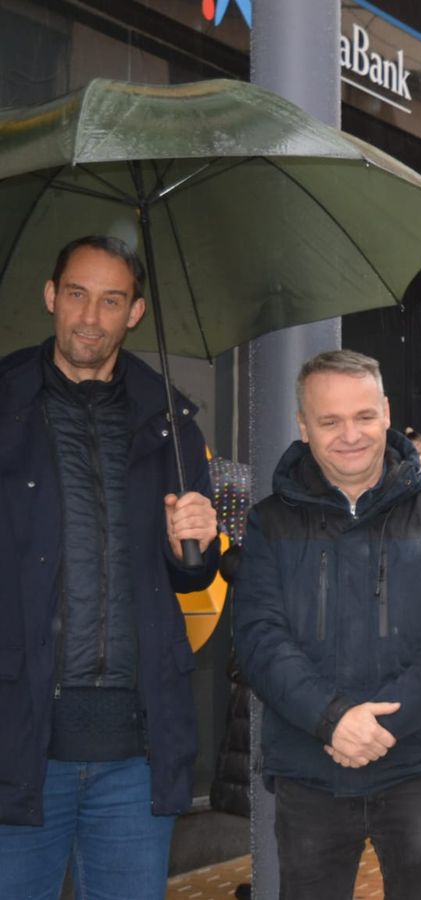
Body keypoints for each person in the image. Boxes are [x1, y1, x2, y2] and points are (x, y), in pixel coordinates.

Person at [0, 235, 220, 899]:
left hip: (136, 752)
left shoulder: (170, 420)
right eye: (77, 295)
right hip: (18, 741)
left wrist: (200, 541)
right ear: (50, 297)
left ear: (135, 312)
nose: (90, 316)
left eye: (111, 299)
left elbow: (187, 576)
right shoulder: (4, 404)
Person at [233, 349, 421, 900]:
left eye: (363, 416)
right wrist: (333, 720)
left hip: (415, 763)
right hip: (310, 766)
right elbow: (259, 641)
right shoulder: (269, 522)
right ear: (304, 426)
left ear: (387, 412)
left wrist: (383, 726)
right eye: (330, 421)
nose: (350, 434)